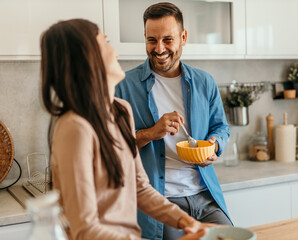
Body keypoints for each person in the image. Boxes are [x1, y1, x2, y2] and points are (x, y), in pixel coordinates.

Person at [40, 18, 212, 240]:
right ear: (87, 58)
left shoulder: (121, 111)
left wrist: (187, 222)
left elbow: (140, 188)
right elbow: (84, 229)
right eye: (106, 42)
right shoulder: (75, 127)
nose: (115, 52)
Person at [115, 2, 232, 240]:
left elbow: (221, 127)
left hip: (205, 195)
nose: (159, 49)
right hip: (160, 200)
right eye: (151, 40)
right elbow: (114, 149)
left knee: (232, 237)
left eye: (168, 39)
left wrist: (213, 144)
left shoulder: (204, 82)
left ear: (183, 37)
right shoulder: (124, 86)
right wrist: (150, 133)